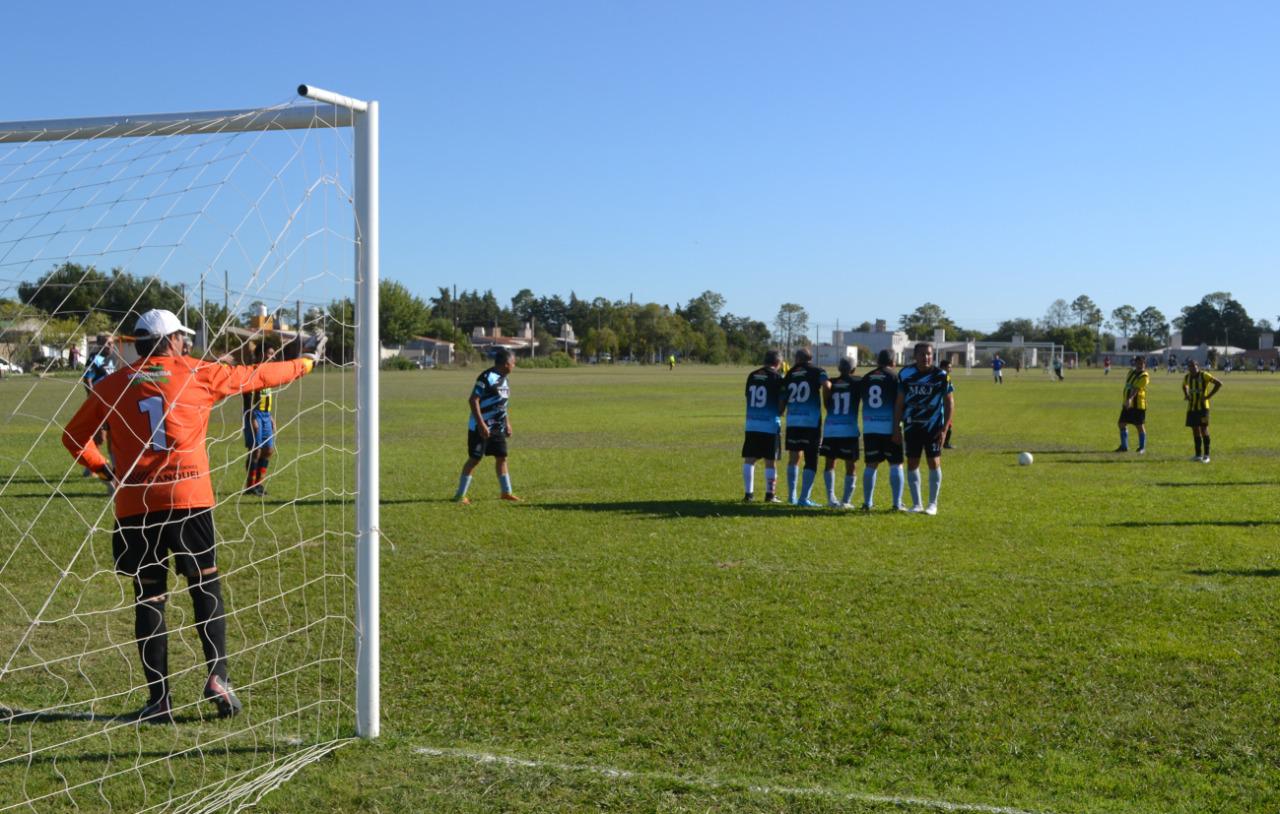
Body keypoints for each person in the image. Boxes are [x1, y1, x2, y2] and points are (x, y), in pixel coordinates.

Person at [61, 309, 322, 722]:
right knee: (205, 587)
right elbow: (257, 376)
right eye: (182, 337)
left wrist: (102, 468)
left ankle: (159, 700)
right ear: (169, 341)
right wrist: (304, 364)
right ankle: (218, 677)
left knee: (150, 597)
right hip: (190, 499)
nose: (186, 343)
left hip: (137, 505)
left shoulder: (112, 384)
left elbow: (73, 437)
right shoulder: (200, 371)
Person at [453, 348, 519, 504]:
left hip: (497, 427)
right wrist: (481, 424)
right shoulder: (486, 377)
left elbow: (502, 404)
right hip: (480, 428)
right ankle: (460, 495)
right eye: (513, 363)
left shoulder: (505, 379)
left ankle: (506, 492)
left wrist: (507, 423)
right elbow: (473, 400)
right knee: (474, 459)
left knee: (502, 457)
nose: (514, 366)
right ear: (506, 363)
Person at [894, 342, 953, 515]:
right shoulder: (905, 374)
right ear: (915, 356)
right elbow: (899, 402)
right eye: (922, 354)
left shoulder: (941, 375)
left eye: (929, 354)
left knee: (933, 462)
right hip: (912, 426)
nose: (926, 357)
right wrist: (896, 427)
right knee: (912, 463)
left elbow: (950, 402)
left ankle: (932, 504)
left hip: (933, 427)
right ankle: (917, 503)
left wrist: (944, 429)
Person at [857, 350, 905, 511]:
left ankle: (867, 503)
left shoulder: (867, 378)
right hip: (890, 427)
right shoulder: (895, 377)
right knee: (896, 464)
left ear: (878, 361)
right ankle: (897, 504)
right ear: (893, 361)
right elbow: (900, 402)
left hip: (870, 427)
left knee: (871, 465)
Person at [782, 348, 829, 506]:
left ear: (797, 359)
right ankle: (804, 498)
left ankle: (791, 496)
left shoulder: (790, 373)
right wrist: (826, 400)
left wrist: (781, 410)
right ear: (810, 358)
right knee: (811, 460)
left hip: (793, 420)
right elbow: (827, 385)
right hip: (810, 422)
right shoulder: (818, 371)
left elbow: (783, 396)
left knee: (793, 458)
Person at [741, 349, 786, 502]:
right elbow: (781, 403)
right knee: (770, 461)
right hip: (770, 425)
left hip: (752, 423)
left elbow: (748, 396)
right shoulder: (777, 377)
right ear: (778, 363)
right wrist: (780, 412)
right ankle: (770, 494)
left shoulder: (752, 375)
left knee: (749, 459)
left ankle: (749, 494)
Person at [820, 357, 859, 508]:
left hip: (831, 429)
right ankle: (846, 501)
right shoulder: (857, 382)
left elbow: (826, 402)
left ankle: (831, 498)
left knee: (830, 463)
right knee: (851, 465)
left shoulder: (831, 382)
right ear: (854, 369)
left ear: (838, 368)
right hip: (849, 430)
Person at [242, 343, 279, 496]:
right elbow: (247, 395)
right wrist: (251, 418)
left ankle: (259, 484)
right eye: (270, 353)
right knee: (255, 451)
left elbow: (266, 395)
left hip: (265, 414)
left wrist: (270, 416)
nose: (273, 356)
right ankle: (251, 486)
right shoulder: (252, 372)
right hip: (254, 415)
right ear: (261, 354)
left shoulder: (268, 373)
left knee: (268, 450)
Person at [80, 337, 117, 485]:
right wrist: (93, 399)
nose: (111, 346)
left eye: (112, 343)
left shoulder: (112, 359)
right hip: (100, 404)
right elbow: (87, 379)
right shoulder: (94, 359)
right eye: (108, 343)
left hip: (112, 403)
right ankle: (93, 467)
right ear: (100, 345)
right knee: (100, 437)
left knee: (112, 437)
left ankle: (111, 469)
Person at [1182, 360, 1222, 463]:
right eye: (1190, 367)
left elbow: (1218, 384)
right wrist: (1186, 394)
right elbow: (1184, 385)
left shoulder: (1204, 375)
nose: (1192, 368)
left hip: (1203, 408)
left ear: (1198, 366)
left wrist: (1208, 396)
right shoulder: (1187, 377)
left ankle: (1207, 455)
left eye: (1194, 366)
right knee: (1195, 430)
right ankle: (1198, 455)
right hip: (1192, 408)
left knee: (1204, 429)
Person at [1116, 355, 1150, 454]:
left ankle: (1142, 448)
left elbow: (1136, 389)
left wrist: (1130, 399)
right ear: (1135, 363)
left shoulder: (1144, 376)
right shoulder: (1131, 372)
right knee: (1121, 423)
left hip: (1138, 404)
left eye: (1142, 363)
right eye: (1138, 363)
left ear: (1144, 364)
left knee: (1139, 425)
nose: (1140, 365)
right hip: (1127, 403)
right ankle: (1124, 446)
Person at [939, 358, 956, 449]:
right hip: (940, 405)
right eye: (949, 367)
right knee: (947, 424)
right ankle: (944, 443)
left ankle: (945, 442)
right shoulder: (944, 377)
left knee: (948, 424)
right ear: (943, 367)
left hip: (944, 405)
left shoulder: (946, 377)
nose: (951, 369)